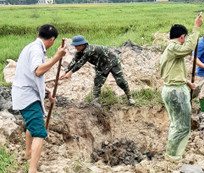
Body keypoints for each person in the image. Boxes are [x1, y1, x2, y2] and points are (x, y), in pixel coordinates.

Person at [12, 24, 66, 173]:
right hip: (27, 97)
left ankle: (28, 153)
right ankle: (32, 169)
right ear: (52, 40)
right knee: (40, 133)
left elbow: (28, 74)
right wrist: (57, 57)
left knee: (33, 125)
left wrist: (46, 90)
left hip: (25, 93)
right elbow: (37, 71)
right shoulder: (36, 50)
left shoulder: (31, 46)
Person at [160, 13, 203, 162]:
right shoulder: (174, 48)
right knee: (182, 127)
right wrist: (196, 28)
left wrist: (187, 83)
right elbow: (189, 47)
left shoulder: (170, 50)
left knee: (177, 125)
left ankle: (172, 155)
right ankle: (173, 159)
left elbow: (173, 72)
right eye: (185, 38)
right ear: (182, 37)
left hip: (172, 89)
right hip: (176, 92)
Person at [60, 35, 135, 105]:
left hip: (112, 62)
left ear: (81, 45)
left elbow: (80, 63)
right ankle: (94, 102)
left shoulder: (88, 51)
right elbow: (74, 61)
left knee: (120, 81)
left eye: (76, 46)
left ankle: (130, 97)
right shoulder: (79, 52)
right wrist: (65, 71)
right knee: (97, 83)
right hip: (101, 65)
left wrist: (70, 72)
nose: (75, 48)